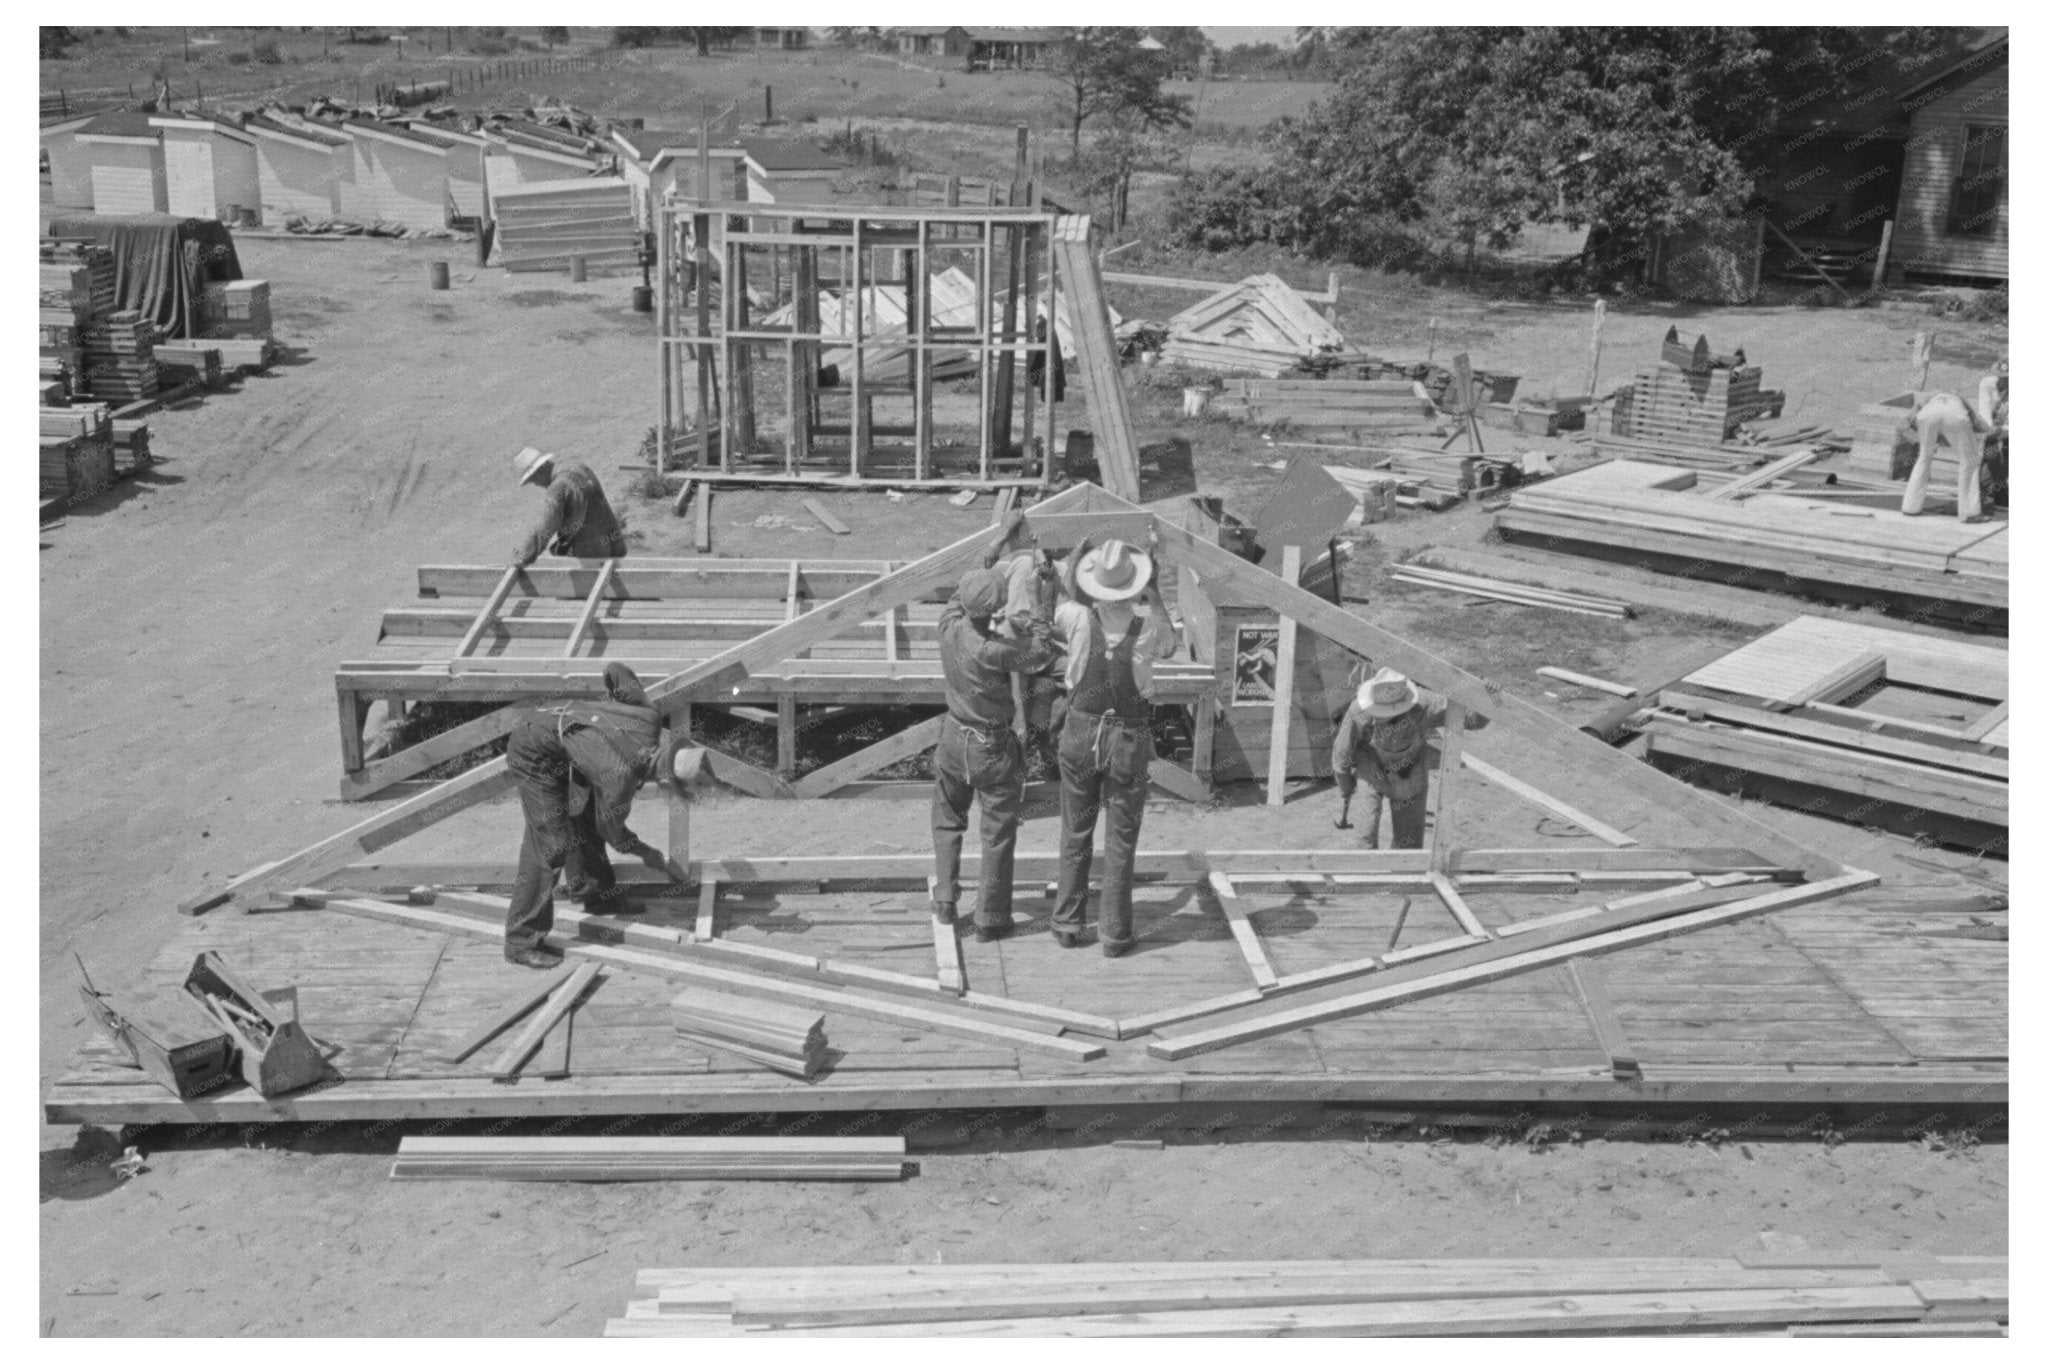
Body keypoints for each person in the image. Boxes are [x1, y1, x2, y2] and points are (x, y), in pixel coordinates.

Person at [1049, 536, 1183, 956]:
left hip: (1081, 733)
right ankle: (1113, 933)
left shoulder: (1072, 616)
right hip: (1126, 738)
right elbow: (1171, 646)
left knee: (1075, 830)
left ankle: (1068, 924)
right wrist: (1156, 588)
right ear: (1135, 584)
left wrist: (1075, 559)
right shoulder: (1149, 629)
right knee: (1121, 839)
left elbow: (1064, 600)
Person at [502, 662, 664, 968]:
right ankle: (520, 941)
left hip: (563, 739)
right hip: (533, 750)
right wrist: (647, 853)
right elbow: (612, 830)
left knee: (584, 816)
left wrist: (603, 720)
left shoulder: (650, 717)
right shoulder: (620, 777)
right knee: (551, 843)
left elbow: (615, 670)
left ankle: (596, 896)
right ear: (663, 777)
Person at [931, 559, 1057, 943]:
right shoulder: (994, 651)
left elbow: (960, 595)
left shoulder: (948, 627)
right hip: (993, 747)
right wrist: (1039, 602)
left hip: (954, 740)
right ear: (997, 610)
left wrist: (995, 546)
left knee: (947, 821)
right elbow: (1041, 652)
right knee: (997, 834)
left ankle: (946, 900)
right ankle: (991, 918)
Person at [1331, 667, 1495, 850]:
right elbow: (1341, 751)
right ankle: (1368, 874)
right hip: (1371, 767)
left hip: (1410, 771)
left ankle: (1404, 877)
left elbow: (1473, 720)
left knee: (1408, 844)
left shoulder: (1426, 705)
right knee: (1365, 837)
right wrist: (1345, 786)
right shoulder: (1359, 710)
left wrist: (1486, 698)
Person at [510, 447, 629, 566]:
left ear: (540, 471)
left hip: (592, 553)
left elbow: (545, 527)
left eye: (533, 480)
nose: (536, 484)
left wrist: (524, 557)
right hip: (615, 543)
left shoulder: (557, 487)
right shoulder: (579, 467)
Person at [1900, 391, 1992, 523]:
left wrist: (1921, 438)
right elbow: (1978, 423)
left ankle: (1910, 508)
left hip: (1927, 415)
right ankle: (1970, 513)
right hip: (1956, 415)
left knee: (1924, 458)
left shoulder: (1927, 399)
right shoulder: (1960, 399)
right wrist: (1989, 430)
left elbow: (1902, 423)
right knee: (1969, 462)